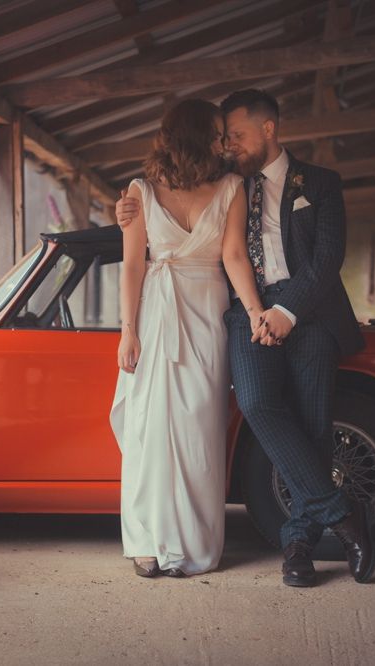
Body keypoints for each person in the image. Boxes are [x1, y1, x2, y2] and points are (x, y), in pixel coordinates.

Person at [116, 89, 375, 588]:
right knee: (256, 406)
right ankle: (344, 515)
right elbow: (181, 237)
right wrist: (126, 211)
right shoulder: (229, 183)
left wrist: (284, 310)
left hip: (309, 312)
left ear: (269, 129)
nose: (228, 145)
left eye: (235, 136)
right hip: (238, 315)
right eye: (222, 137)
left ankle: (298, 544)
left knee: (315, 425)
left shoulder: (319, 183)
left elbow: (325, 261)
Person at [109, 99, 263, 578]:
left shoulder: (232, 187)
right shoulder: (138, 192)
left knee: (199, 429)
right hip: (155, 314)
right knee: (149, 430)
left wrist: (257, 313)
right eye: (218, 132)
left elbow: (235, 255)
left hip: (206, 313)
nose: (224, 141)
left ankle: (191, 544)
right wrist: (128, 331)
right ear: (196, 136)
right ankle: (145, 543)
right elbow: (133, 264)